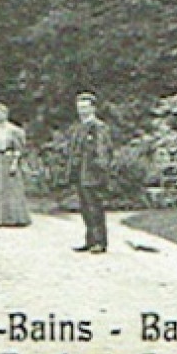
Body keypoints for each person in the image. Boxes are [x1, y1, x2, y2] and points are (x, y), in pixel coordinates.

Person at [62, 92, 114, 253]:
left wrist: (101, 171)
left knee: (95, 208)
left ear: (93, 108)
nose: (82, 111)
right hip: (81, 174)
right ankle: (90, 240)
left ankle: (99, 241)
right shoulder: (79, 128)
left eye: (85, 107)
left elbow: (103, 151)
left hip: (93, 174)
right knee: (85, 209)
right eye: (79, 108)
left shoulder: (98, 127)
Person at [0, 102, 32, 228]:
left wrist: (14, 163)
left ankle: (14, 217)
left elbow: (18, 149)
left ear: (6, 114)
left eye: (1, 113)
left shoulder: (14, 130)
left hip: (9, 159)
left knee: (12, 189)